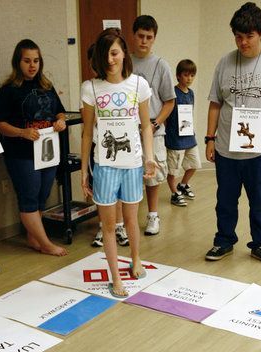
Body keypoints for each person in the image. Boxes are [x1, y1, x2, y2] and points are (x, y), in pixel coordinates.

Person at [205, 2, 261, 266]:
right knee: (225, 199)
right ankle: (223, 241)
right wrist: (210, 139)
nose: (243, 42)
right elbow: (215, 103)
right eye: (238, 36)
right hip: (226, 148)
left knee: (260, 199)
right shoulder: (225, 62)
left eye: (249, 36)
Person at [80, 28, 156, 298]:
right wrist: (83, 171)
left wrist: (149, 157)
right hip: (104, 167)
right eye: (105, 55)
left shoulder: (139, 85)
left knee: (131, 220)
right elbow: (87, 132)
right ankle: (116, 277)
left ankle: (135, 258)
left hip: (133, 165)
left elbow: (146, 126)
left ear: (124, 53)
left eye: (114, 53)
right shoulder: (90, 88)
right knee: (109, 226)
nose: (110, 59)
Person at [0, 39, 67, 256]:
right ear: (18, 62)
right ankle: (45, 243)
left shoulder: (46, 85)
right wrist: (22, 132)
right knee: (29, 196)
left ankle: (33, 237)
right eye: (27, 61)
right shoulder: (8, 90)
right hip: (21, 154)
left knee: (42, 195)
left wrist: (61, 121)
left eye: (36, 61)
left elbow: (59, 112)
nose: (32, 65)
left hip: (47, 152)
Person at [83, 44, 130, 249]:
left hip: (120, 147)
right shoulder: (90, 88)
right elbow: (88, 123)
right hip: (99, 147)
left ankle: (119, 226)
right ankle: (105, 225)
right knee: (103, 190)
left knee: (120, 189)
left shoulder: (124, 85)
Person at [131, 15, 175, 235]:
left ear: (154, 38)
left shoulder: (161, 65)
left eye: (149, 37)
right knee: (130, 176)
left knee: (153, 175)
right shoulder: (124, 63)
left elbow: (169, 101)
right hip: (129, 130)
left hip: (154, 129)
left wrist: (157, 123)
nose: (144, 41)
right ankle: (125, 222)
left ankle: (153, 215)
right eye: (140, 36)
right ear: (134, 36)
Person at [165, 59, 201, 207]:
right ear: (178, 76)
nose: (189, 78)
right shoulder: (172, 92)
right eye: (186, 75)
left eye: (192, 75)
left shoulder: (191, 93)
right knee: (173, 169)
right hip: (175, 137)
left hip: (189, 136)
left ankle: (183, 185)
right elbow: (167, 114)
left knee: (194, 164)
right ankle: (174, 193)